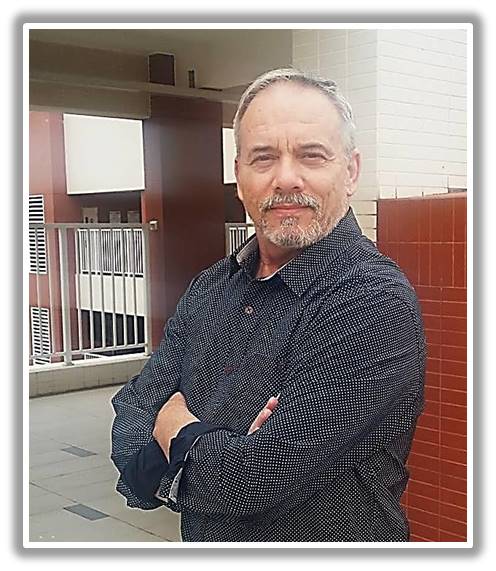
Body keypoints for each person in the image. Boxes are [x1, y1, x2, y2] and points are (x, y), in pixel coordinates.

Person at [110, 68, 425, 542]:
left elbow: (250, 480)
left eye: (311, 155)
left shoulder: (372, 300)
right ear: (239, 176)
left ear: (350, 172)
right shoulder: (212, 288)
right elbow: (133, 412)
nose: (286, 178)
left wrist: (175, 428)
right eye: (263, 157)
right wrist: (216, 447)